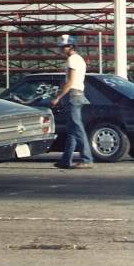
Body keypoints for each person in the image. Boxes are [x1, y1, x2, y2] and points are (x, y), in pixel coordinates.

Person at [50, 34, 94, 169]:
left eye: (65, 47)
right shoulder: (79, 59)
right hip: (78, 94)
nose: (63, 49)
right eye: (62, 47)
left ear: (71, 47)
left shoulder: (72, 60)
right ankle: (66, 160)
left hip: (73, 94)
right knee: (72, 129)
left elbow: (70, 82)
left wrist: (57, 97)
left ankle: (87, 159)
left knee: (77, 128)